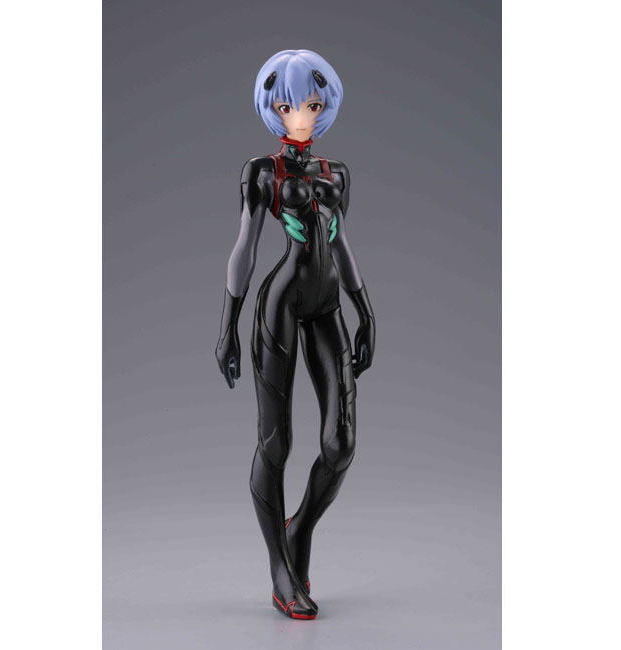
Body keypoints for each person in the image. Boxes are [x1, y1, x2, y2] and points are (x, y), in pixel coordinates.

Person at [215, 49, 376, 620]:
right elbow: (245, 249)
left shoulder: (337, 173)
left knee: (341, 444)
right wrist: (228, 326)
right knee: (275, 442)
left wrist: (365, 310)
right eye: (288, 106)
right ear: (273, 110)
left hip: (328, 304)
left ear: (326, 104)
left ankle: (299, 528)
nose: (301, 116)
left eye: (311, 104)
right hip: (281, 304)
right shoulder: (263, 172)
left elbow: (341, 244)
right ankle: (281, 572)